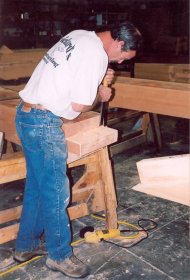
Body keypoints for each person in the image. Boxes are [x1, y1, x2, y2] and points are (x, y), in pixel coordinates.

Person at [13, 21, 142, 278]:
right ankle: (59, 256)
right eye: (121, 57)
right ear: (119, 43)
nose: (117, 62)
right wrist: (100, 94)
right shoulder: (95, 54)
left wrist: (96, 80)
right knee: (56, 193)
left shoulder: (81, 36)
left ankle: (25, 246)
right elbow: (80, 105)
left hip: (26, 114)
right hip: (43, 122)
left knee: (38, 187)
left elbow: (71, 75)